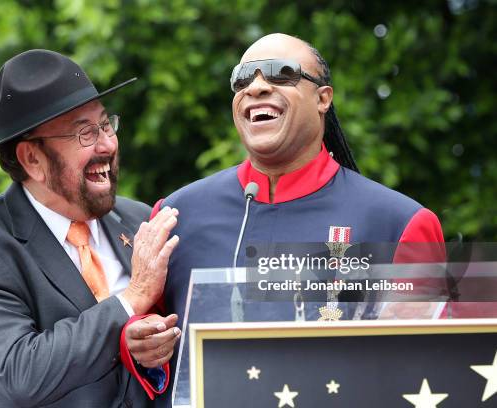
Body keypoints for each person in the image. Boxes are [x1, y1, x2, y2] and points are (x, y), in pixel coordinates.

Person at [152, 33, 445, 405]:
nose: (256, 87)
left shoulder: (400, 224)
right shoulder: (176, 215)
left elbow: (425, 375)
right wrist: (137, 340)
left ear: (323, 98)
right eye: (242, 80)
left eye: (280, 74)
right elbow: (144, 354)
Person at [0, 49, 180, 408]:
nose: (107, 144)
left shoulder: (138, 220)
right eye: (84, 133)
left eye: (106, 125)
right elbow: (21, 372)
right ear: (32, 159)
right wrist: (130, 301)